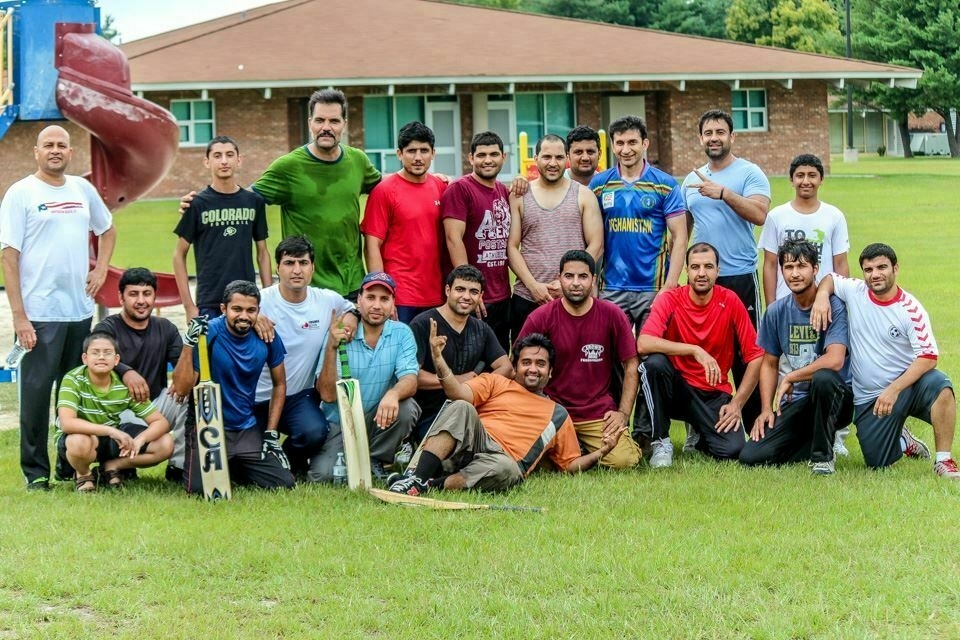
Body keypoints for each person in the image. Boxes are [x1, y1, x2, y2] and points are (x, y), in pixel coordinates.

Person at [0, 124, 117, 491]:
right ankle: (36, 473)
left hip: (78, 312)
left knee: (72, 396)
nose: (55, 150)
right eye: (48, 145)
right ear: (36, 152)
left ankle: (70, 465)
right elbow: (9, 256)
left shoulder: (82, 189)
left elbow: (108, 229)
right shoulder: (21, 193)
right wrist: (20, 315)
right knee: (36, 398)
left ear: (70, 153)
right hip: (39, 313)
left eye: (62, 145)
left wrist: (100, 268)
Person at [388, 331, 618, 495]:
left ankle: (429, 486)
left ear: (550, 372)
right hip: (474, 441)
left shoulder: (558, 415)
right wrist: (439, 362)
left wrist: (602, 452)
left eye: (540, 364)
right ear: (515, 366)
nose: (533, 368)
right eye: (526, 362)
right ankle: (415, 478)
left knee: (507, 470)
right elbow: (458, 392)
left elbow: (569, 465)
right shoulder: (497, 381)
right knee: (460, 406)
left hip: (502, 461)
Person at [811, 243, 957, 478]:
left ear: (895, 268)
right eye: (868, 269)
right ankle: (903, 439)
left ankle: (944, 460)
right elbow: (830, 278)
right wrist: (821, 296)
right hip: (870, 398)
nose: (875, 274)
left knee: (941, 385)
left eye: (881, 267)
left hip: (906, 388)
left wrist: (894, 389)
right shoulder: (855, 291)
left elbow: (928, 357)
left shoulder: (910, 309)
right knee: (877, 463)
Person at [588, 115, 687, 448]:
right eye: (620, 143)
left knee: (649, 363)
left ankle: (646, 434)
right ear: (612, 146)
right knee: (609, 360)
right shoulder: (599, 185)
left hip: (652, 291)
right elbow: (591, 237)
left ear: (645, 144)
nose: (626, 149)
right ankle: (612, 427)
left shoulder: (665, 185)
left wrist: (669, 288)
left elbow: (679, 237)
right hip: (610, 290)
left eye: (633, 142)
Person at [757, 153, 853, 456]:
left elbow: (840, 265)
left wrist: (831, 296)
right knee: (792, 362)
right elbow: (770, 264)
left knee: (826, 372)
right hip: (789, 305)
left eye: (812, 175)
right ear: (791, 179)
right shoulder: (778, 216)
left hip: (822, 303)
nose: (806, 181)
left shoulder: (833, 216)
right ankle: (797, 424)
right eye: (800, 175)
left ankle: (834, 433)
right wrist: (773, 306)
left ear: (821, 179)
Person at [681, 109, 770, 436]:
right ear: (701, 138)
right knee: (702, 352)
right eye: (708, 132)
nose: (714, 137)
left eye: (720, 132)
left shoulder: (749, 173)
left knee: (748, 355)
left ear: (732, 137)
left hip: (740, 276)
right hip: (703, 280)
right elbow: (682, 234)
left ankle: (754, 427)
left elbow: (760, 214)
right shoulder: (690, 181)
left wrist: (725, 193)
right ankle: (701, 429)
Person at [637, 243, 763, 467]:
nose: (702, 273)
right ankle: (661, 441)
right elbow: (644, 343)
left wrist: (737, 404)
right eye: (695, 267)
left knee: (733, 450)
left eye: (708, 267)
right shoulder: (671, 299)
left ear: (718, 271)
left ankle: (700, 432)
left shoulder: (731, 300)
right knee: (654, 365)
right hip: (677, 389)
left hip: (712, 392)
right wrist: (695, 350)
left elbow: (756, 356)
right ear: (687, 271)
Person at [517, 250, 641, 469]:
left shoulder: (612, 314)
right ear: (560, 278)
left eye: (583, 277)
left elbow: (631, 364)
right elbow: (517, 365)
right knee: (527, 459)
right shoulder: (541, 316)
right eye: (569, 276)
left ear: (593, 280)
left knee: (625, 460)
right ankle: (575, 452)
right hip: (553, 411)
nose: (575, 283)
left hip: (597, 412)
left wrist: (622, 413)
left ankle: (577, 451)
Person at [738, 241, 854, 474]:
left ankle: (822, 458)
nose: (795, 273)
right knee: (751, 456)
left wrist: (791, 376)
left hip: (836, 398)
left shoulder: (834, 306)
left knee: (823, 377)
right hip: (798, 401)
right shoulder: (776, 311)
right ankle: (813, 441)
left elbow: (835, 360)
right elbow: (769, 363)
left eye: (801, 266)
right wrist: (766, 409)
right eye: (788, 267)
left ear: (815, 269)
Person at [254, 89, 381, 296]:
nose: (326, 128)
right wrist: (201, 201)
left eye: (334, 121)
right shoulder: (288, 166)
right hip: (307, 288)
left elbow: (390, 189)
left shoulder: (358, 161)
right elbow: (245, 200)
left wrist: (432, 180)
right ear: (310, 122)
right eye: (320, 120)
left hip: (353, 284)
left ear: (344, 124)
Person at [172, 281, 294, 494]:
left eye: (251, 310)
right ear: (223, 309)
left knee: (284, 483)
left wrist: (271, 432)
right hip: (209, 426)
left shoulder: (267, 336)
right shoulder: (208, 333)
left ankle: (235, 464)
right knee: (202, 491)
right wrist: (188, 344)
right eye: (237, 309)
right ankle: (219, 463)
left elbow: (280, 383)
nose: (244, 316)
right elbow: (182, 389)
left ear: (259, 311)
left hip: (245, 427)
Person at [252, 236, 358, 477]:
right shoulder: (260, 301)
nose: (296, 270)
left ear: (313, 267)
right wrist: (253, 316)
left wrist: (351, 318)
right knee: (248, 454)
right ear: (277, 268)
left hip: (297, 397)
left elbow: (352, 307)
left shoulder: (326, 300)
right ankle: (267, 459)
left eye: (303, 262)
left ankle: (290, 459)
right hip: (257, 398)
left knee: (314, 432)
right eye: (289, 263)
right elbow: (229, 312)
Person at [314, 272, 419, 483]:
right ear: (358, 301)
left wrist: (393, 393)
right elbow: (326, 395)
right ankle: (344, 454)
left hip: (377, 418)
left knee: (407, 407)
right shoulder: (340, 332)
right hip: (340, 421)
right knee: (323, 476)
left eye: (384, 299)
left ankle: (375, 458)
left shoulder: (401, 333)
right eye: (370, 297)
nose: (377, 305)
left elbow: (410, 379)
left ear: (393, 304)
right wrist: (331, 348)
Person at [92, 268, 187, 482]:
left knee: (190, 395)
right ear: (121, 297)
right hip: (119, 409)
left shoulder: (166, 328)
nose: (141, 301)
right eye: (133, 294)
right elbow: (95, 358)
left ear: (155, 296)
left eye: (147, 294)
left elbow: (182, 365)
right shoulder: (107, 327)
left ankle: (179, 467)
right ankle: (116, 464)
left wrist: (182, 380)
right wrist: (127, 372)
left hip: (156, 406)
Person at [507, 134, 603, 338]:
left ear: (566, 158)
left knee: (573, 365)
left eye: (559, 157)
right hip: (528, 297)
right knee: (526, 363)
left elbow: (596, 245)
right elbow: (512, 247)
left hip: (573, 298)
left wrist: (568, 282)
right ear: (536, 159)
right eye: (547, 157)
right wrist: (533, 287)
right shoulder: (519, 196)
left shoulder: (584, 195)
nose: (553, 163)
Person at [409, 265, 514, 446]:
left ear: (481, 297)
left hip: (471, 409)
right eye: (460, 289)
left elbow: (506, 368)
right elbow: (412, 377)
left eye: (474, 292)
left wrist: (476, 386)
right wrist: (457, 380)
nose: (466, 296)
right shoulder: (423, 324)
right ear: (448, 290)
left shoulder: (481, 328)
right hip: (430, 413)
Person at [55, 332, 173, 491]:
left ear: (116, 360)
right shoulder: (73, 379)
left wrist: (140, 440)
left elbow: (160, 422)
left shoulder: (124, 384)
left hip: (111, 438)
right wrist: (111, 431)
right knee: (79, 442)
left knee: (165, 443)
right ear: (85, 358)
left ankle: (111, 466)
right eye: (95, 353)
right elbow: (67, 423)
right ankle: (83, 474)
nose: (101, 357)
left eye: (107, 353)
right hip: (80, 437)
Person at [173, 135, 271, 319]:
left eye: (229, 155)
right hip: (209, 301)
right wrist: (188, 307)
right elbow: (178, 254)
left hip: (246, 301)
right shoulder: (196, 204)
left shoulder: (254, 202)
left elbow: (262, 253)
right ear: (207, 162)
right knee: (205, 349)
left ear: (239, 160)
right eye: (217, 156)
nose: (224, 161)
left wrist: (267, 299)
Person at [361, 121, 448, 322]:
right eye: (411, 151)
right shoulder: (384, 191)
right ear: (399, 154)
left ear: (433, 153)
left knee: (434, 353)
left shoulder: (442, 187)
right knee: (402, 353)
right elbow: (372, 246)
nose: (418, 158)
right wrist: (383, 296)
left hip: (438, 294)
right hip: (401, 296)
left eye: (424, 151)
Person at [442, 131, 512, 350]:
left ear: (504, 157)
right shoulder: (460, 189)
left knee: (500, 357)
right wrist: (469, 291)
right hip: (476, 298)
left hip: (502, 294)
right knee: (474, 363)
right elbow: (453, 238)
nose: (488, 160)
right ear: (471, 158)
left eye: (493, 154)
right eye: (481, 155)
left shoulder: (502, 190)